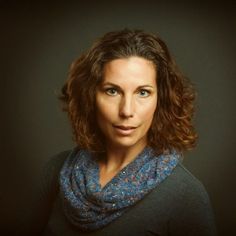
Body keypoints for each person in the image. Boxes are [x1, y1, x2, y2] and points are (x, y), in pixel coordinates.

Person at [32, 29, 217, 235]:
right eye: (112, 91)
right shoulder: (56, 171)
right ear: (90, 96)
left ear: (161, 100)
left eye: (143, 92)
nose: (127, 110)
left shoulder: (185, 195)